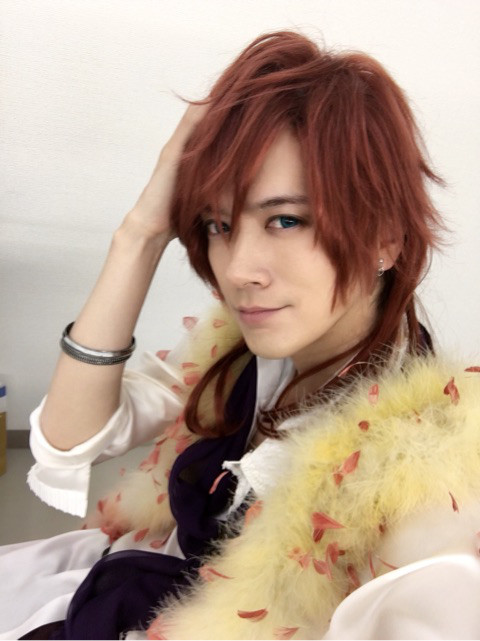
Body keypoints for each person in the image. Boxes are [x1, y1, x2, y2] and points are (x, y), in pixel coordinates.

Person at [2, 30, 480, 640]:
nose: (237, 271)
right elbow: (69, 438)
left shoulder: (424, 483)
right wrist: (141, 233)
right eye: (218, 225)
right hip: (129, 586)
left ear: (385, 237)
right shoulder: (238, 355)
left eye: (286, 220)